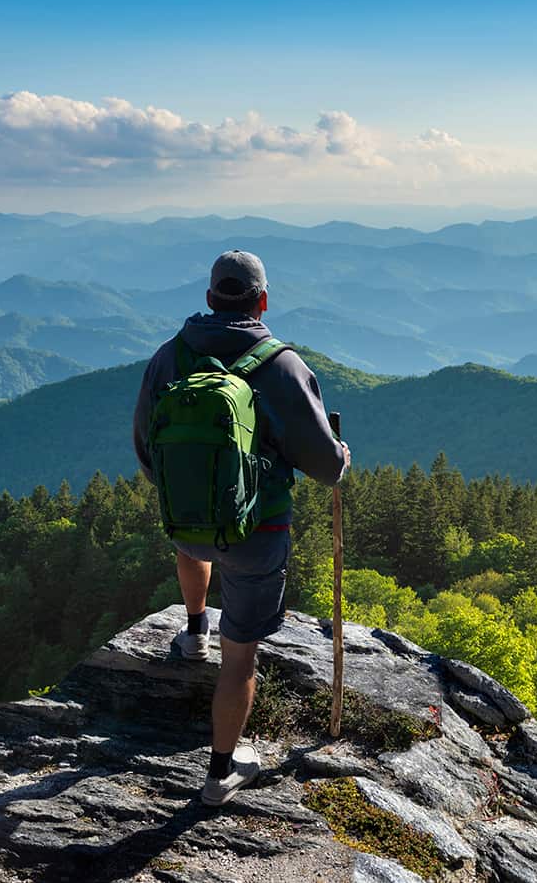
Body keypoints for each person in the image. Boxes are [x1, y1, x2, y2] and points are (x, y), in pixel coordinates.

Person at [133, 249, 349, 805]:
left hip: (185, 523)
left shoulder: (169, 358)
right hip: (259, 534)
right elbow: (325, 467)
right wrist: (341, 455)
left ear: (209, 299)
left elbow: (145, 448)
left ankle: (194, 629)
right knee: (242, 659)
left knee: (194, 545)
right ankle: (220, 773)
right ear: (263, 301)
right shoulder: (281, 367)